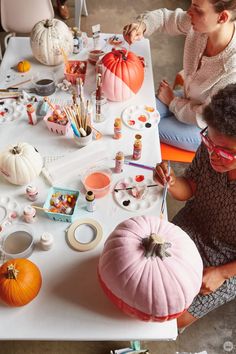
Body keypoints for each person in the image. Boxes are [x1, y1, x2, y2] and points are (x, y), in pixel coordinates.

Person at [153, 83, 236, 330]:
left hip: (228, 257)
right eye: (210, 142)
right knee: (150, 269)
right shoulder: (211, 145)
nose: (214, 155)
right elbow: (191, 187)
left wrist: (222, 273)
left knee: (173, 319)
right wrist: (173, 181)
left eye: (227, 152)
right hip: (194, 223)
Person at [123, 0, 236, 151]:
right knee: (133, 115)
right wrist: (142, 25)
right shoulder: (200, 23)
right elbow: (165, 18)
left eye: (197, 9)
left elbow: (203, 117)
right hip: (187, 99)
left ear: (222, 17)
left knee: (143, 127)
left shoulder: (232, 69)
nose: (189, 12)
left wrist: (172, 101)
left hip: (205, 127)